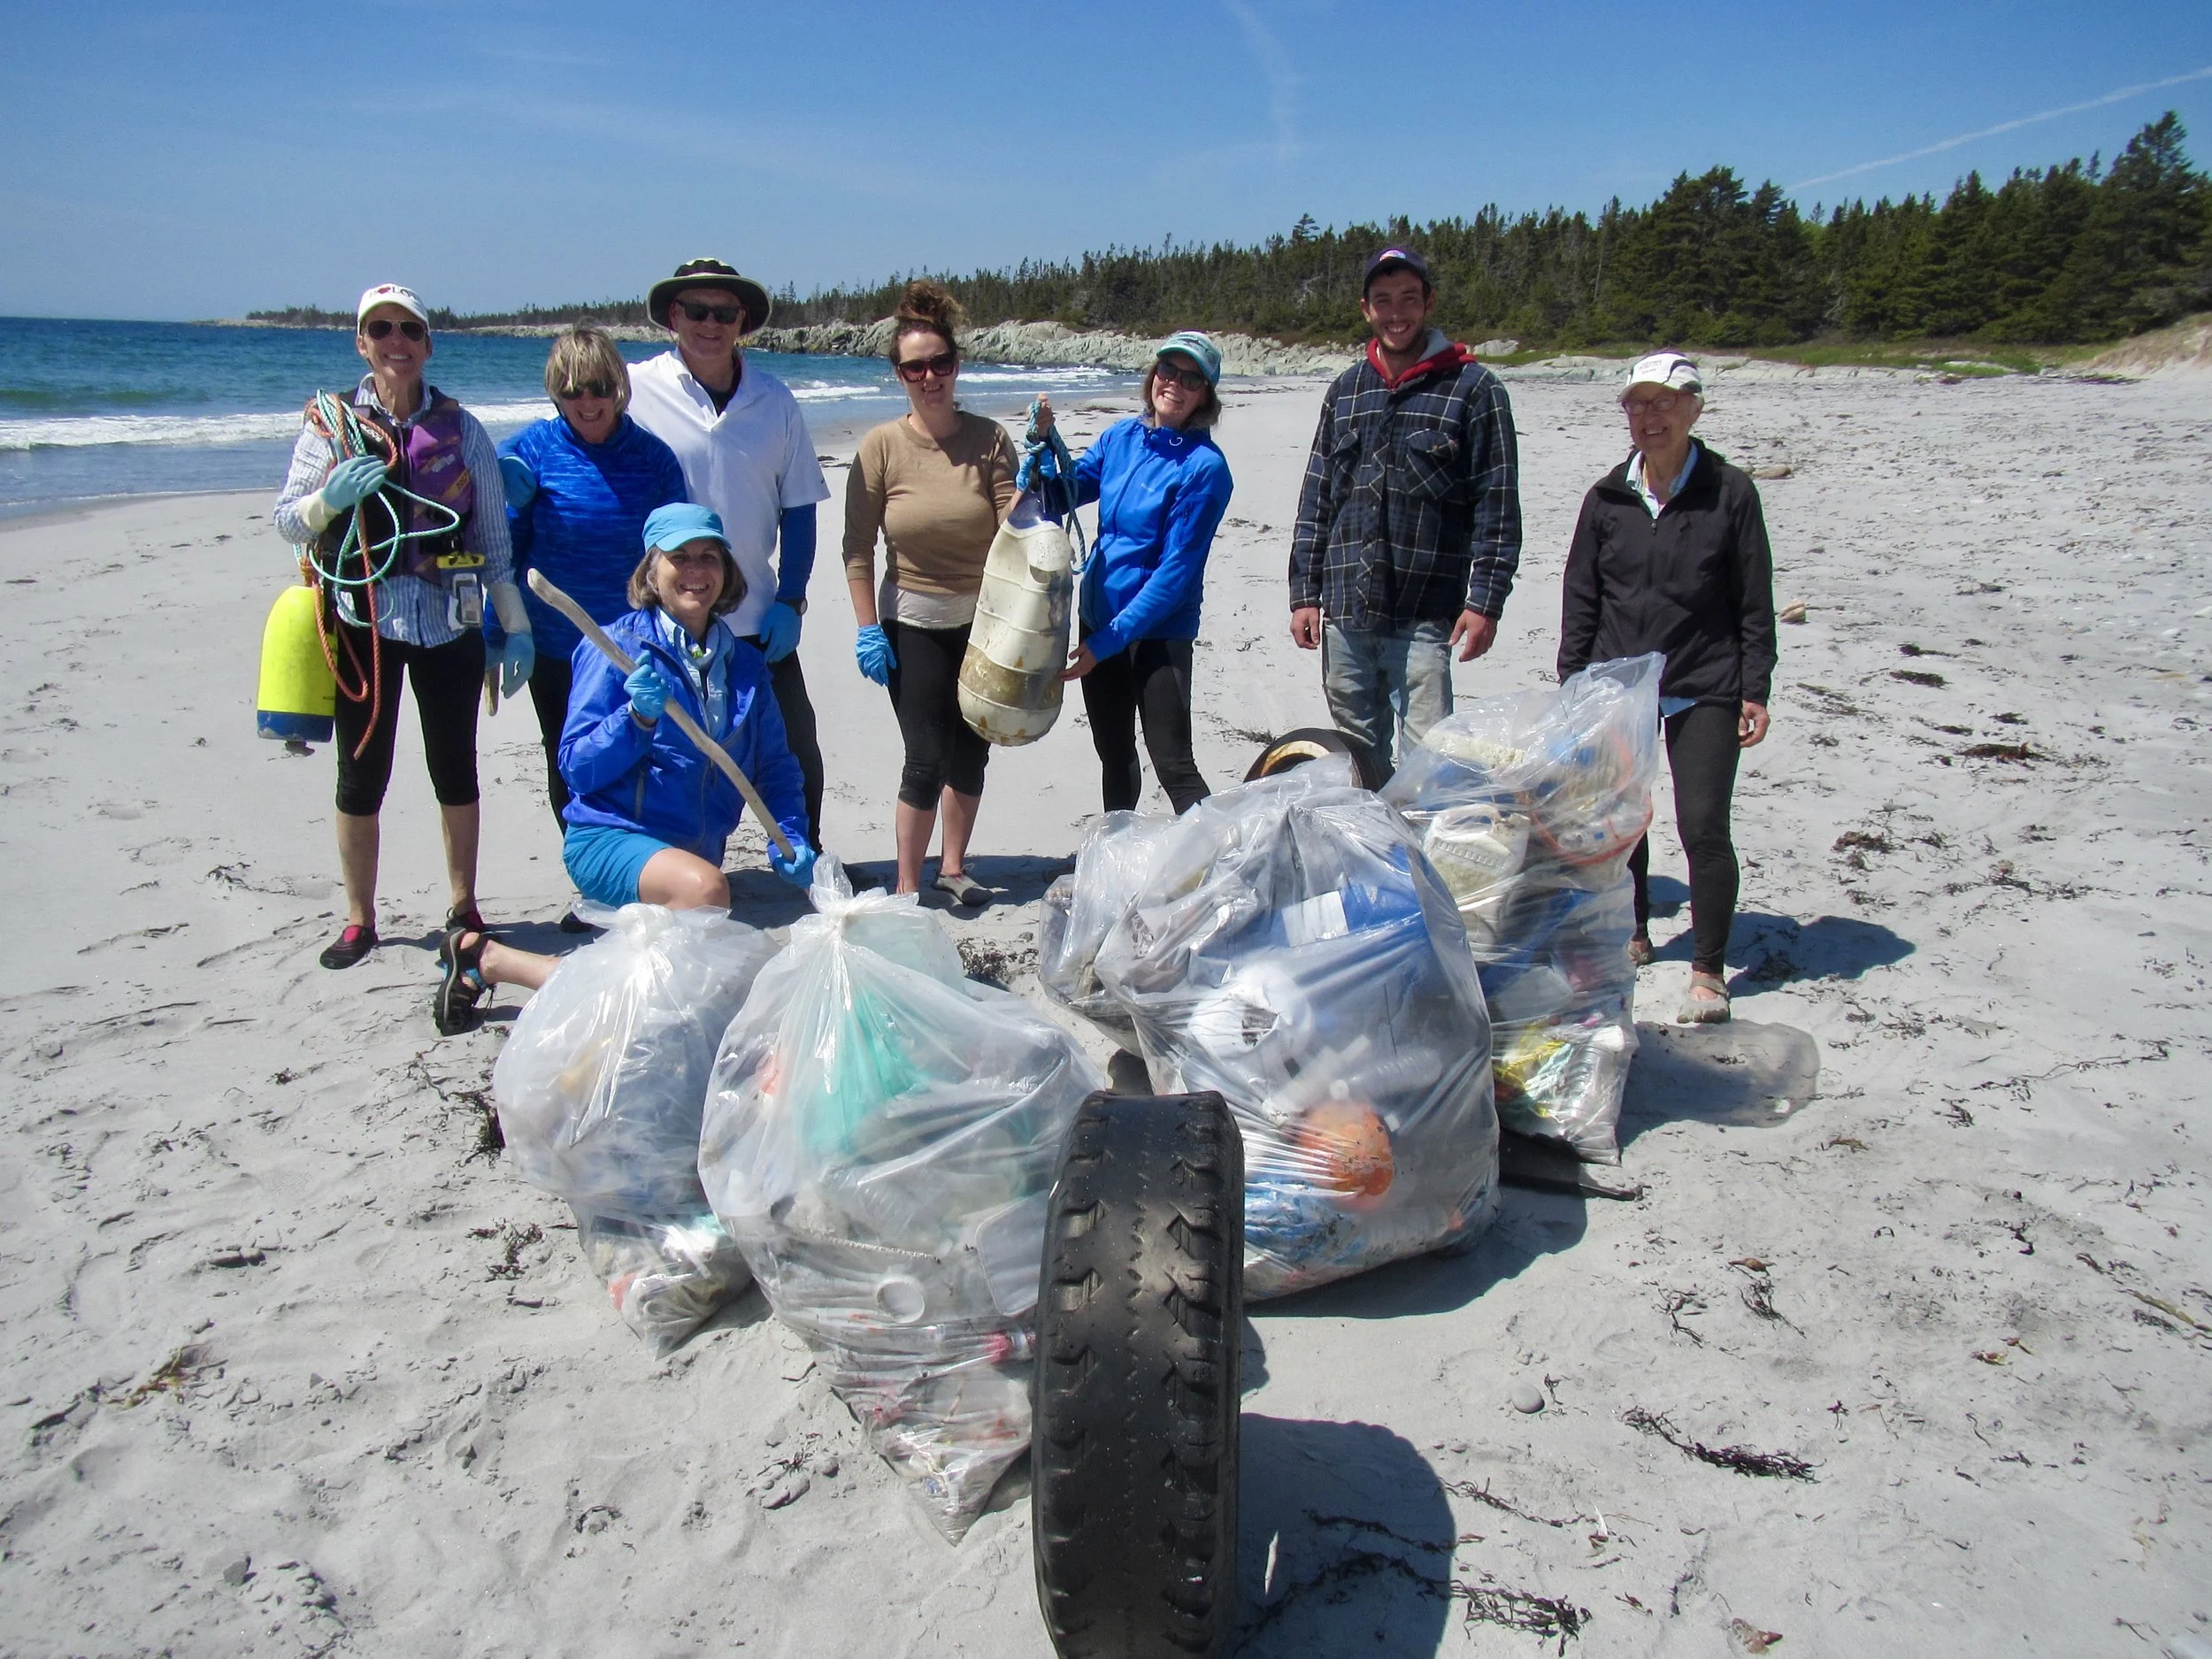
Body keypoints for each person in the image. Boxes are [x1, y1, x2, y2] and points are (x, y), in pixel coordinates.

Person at [434, 503, 816, 1033]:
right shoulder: (616, 650)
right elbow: (576, 769)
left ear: (727, 571)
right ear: (651, 572)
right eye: (679, 558)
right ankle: (504, 963)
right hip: (610, 838)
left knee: (661, 990)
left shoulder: (745, 665)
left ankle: (491, 961)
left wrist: (790, 835)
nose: (696, 571)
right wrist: (633, 719)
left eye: (709, 557)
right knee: (705, 898)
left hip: (691, 853)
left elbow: (774, 767)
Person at [274, 282, 531, 970]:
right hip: (365, 620)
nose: (396, 342)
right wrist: (329, 499)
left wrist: (514, 623)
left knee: (456, 769)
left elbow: (494, 540)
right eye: (380, 329)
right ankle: (360, 919)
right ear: (362, 342)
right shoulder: (330, 427)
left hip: (450, 621)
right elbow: (285, 518)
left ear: (427, 343)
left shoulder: (462, 428)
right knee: (361, 775)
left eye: (409, 330)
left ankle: (462, 904)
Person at [1558, 351, 1776, 1025]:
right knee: (1625, 820)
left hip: (1704, 680)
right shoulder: (1608, 497)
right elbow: (1583, 591)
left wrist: (1754, 686)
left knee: (1703, 823)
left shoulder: (1730, 492)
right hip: (1621, 679)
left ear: (1694, 408)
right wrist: (1575, 677)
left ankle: (1709, 967)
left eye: (1663, 403)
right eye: (1637, 404)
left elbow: (1753, 598)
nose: (1649, 418)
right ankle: (1634, 930)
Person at [1287, 246, 1523, 779]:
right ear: (1366, 308)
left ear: (1429, 302)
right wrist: (1304, 593)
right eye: (1383, 300)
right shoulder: (1346, 391)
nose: (1397, 312)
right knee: (1356, 765)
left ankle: (1418, 858)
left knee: (1428, 766)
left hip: (1423, 616)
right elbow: (1318, 496)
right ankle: (1370, 857)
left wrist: (1486, 601)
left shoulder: (1474, 390)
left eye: (1409, 299)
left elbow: (1498, 507)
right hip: (1345, 612)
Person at [626, 257, 832, 849]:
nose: (710, 324)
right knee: (667, 754)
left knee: (794, 749)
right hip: (664, 621)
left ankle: (804, 856)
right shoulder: (636, 389)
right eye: (696, 311)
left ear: (742, 320)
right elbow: (573, 436)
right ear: (674, 315)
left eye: (724, 313)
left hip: (756, 621)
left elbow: (800, 506)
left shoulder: (775, 400)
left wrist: (791, 599)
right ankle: (664, 871)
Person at [842, 280, 1020, 902]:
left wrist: (1044, 477)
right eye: (915, 367)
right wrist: (868, 627)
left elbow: (1013, 529)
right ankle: (904, 888)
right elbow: (856, 549)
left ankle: (952, 868)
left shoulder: (991, 439)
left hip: (985, 624)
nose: (929, 377)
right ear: (899, 374)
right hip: (909, 623)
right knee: (925, 756)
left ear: (956, 366)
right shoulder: (881, 448)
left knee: (971, 755)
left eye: (939, 363)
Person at [1030, 331, 1233, 816]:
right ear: (1153, 376)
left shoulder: (1205, 469)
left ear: (1205, 395)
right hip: (1100, 619)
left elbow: (1175, 573)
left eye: (1191, 379)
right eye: (1168, 371)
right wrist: (1040, 451)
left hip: (1157, 633)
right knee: (1115, 754)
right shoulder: (1121, 438)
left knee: (1173, 764)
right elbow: (1064, 495)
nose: (1175, 385)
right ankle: (1116, 855)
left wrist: (1107, 643)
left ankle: (1222, 863)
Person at [496, 326, 687, 826]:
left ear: (619, 388)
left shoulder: (653, 459)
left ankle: (640, 857)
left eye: (599, 388)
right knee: (568, 754)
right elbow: (504, 548)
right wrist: (500, 632)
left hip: (633, 644)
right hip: (555, 643)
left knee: (639, 747)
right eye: (572, 390)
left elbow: (677, 556)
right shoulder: (531, 451)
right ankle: (584, 862)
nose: (587, 401)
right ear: (555, 391)